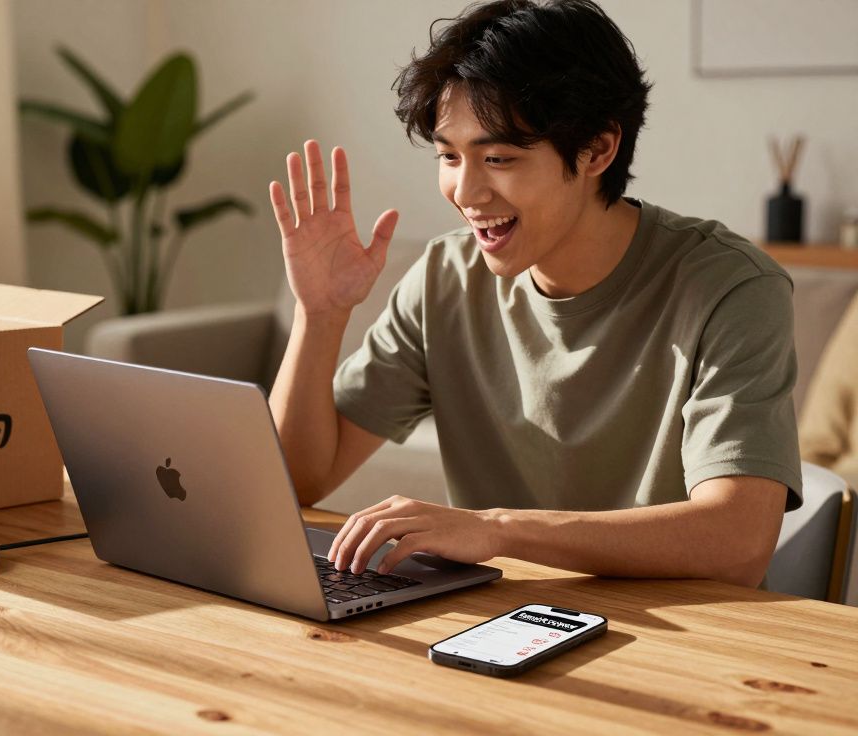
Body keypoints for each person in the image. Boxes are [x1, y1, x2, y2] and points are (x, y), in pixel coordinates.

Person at [266, 0, 801, 589]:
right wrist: (320, 315)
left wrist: (495, 529)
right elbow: (298, 480)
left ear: (598, 150)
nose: (465, 191)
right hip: (494, 623)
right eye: (449, 156)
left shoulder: (732, 287)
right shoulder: (445, 278)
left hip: (683, 639)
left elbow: (738, 541)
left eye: (498, 158)